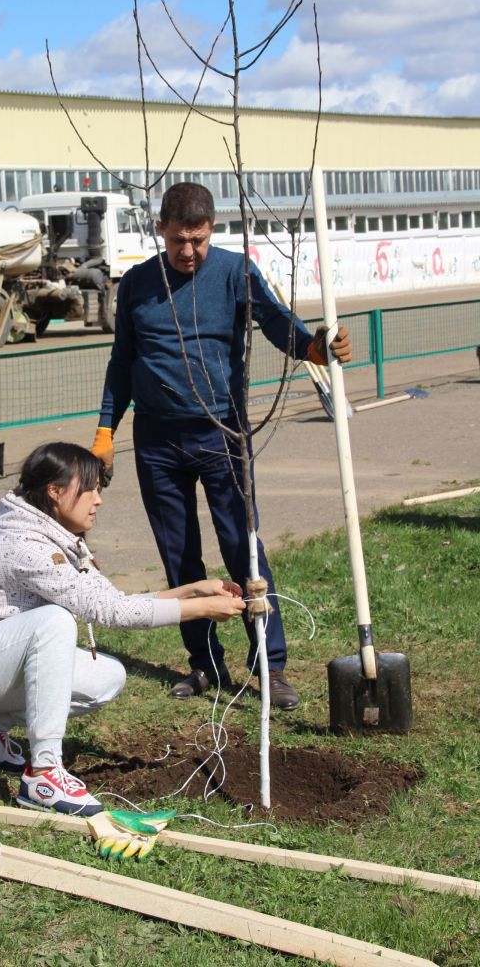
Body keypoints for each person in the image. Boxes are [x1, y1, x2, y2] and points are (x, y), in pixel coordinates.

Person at [91, 182, 351, 710]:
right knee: (179, 554)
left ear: (212, 231)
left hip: (220, 433)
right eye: (179, 240)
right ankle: (204, 662)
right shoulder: (138, 284)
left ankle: (269, 665)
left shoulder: (234, 272)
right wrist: (104, 431)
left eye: (200, 240)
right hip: (157, 441)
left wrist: (314, 345)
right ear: (160, 229)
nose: (189, 252)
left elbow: (276, 322)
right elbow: (122, 363)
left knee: (242, 547)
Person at [0, 441, 244, 816]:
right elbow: (111, 612)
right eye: (89, 489)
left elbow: (113, 601)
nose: (98, 500)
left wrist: (193, 591)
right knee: (53, 621)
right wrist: (200, 609)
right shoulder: (25, 546)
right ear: (55, 491)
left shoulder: (53, 538)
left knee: (106, 676)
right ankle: (45, 774)